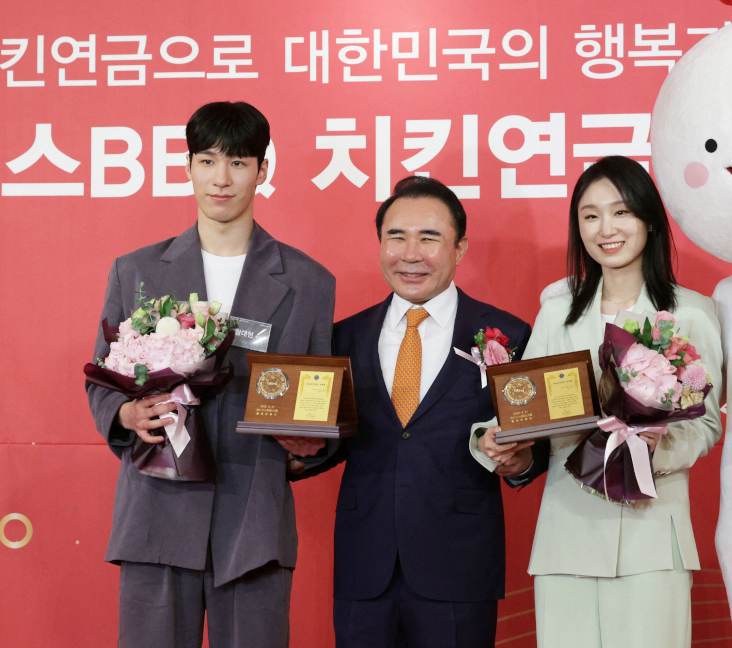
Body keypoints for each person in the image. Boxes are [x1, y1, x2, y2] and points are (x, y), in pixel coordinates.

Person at [85, 101, 336, 648]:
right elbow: (103, 378)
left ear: (262, 170)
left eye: (239, 162)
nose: (221, 179)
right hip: (157, 507)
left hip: (254, 517)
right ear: (188, 166)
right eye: (207, 161)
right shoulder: (137, 271)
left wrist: (311, 446)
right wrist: (127, 413)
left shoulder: (309, 282)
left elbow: (321, 398)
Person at [472, 156, 724, 648]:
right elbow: (528, 407)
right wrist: (499, 440)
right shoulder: (557, 313)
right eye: (590, 216)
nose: (606, 229)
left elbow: (706, 423)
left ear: (649, 220)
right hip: (567, 536)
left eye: (621, 212)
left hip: (653, 537)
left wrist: (655, 448)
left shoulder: (692, 313)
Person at [292, 175, 544, 647]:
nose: (410, 254)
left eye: (429, 238)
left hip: (459, 566)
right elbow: (330, 440)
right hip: (364, 568)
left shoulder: (507, 334)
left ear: (459, 248)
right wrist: (294, 452)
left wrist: (517, 458)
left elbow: (534, 447)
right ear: (380, 244)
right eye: (396, 237)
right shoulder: (342, 338)